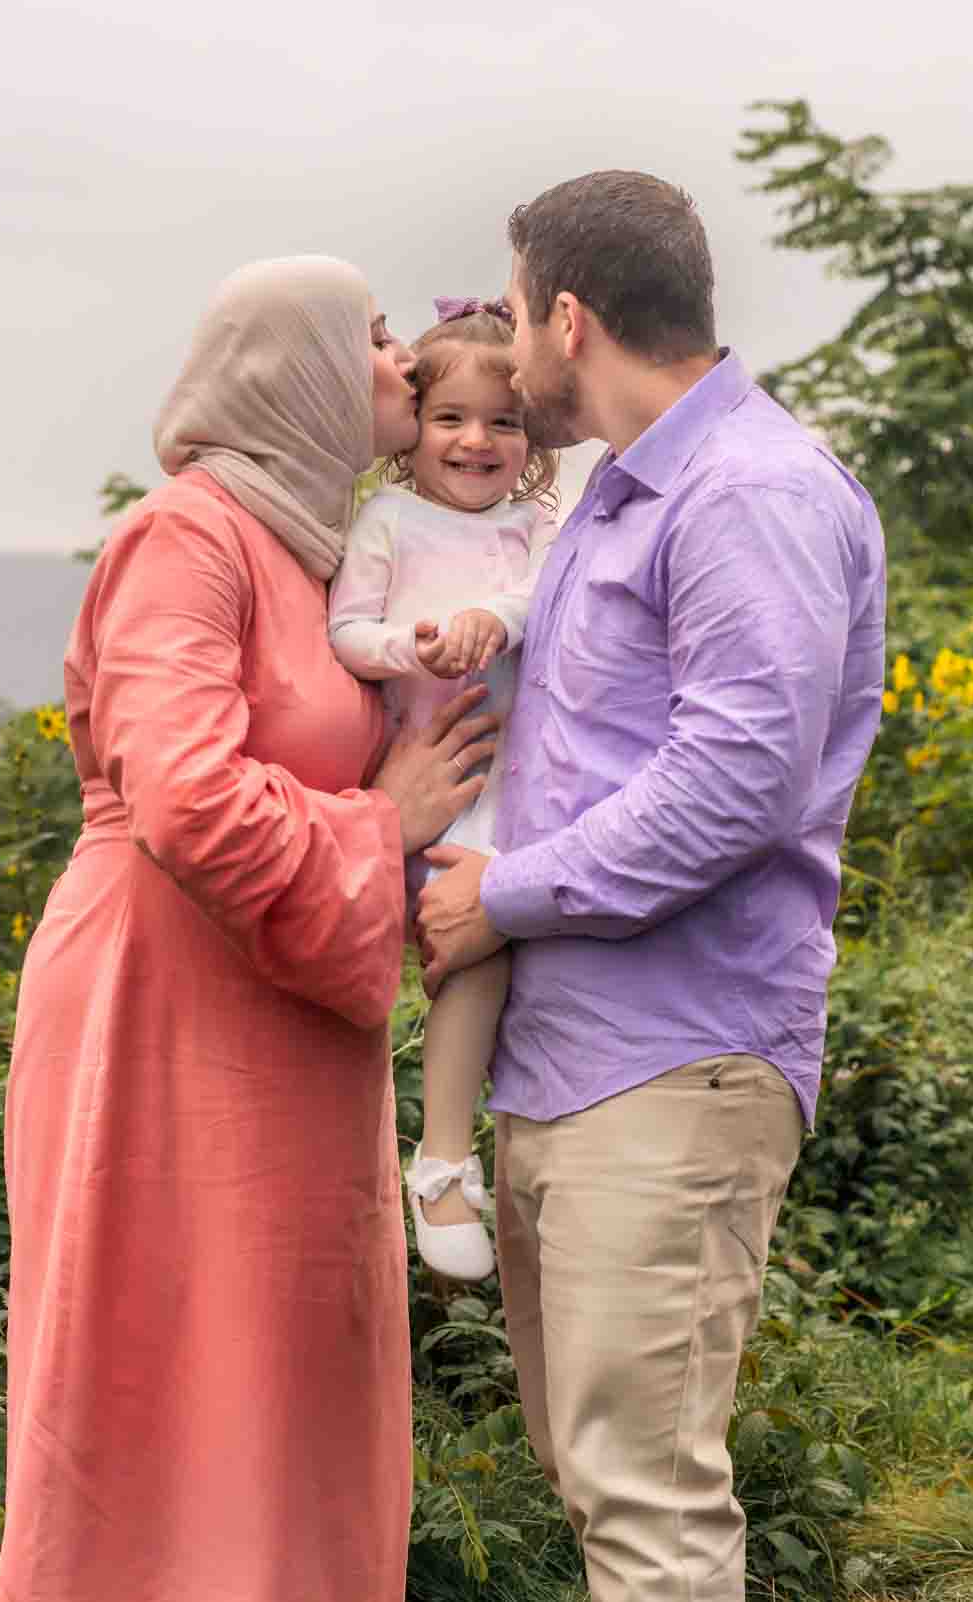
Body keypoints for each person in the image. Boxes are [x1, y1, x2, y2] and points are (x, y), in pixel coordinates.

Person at [415, 171, 887, 1602]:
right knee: (598, 1478)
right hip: (571, 1068)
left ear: (568, 318)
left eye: (514, 317)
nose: (509, 353)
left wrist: (501, 895)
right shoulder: (619, 499)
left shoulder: (750, 491)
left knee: (646, 1502)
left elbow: (737, 781)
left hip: (675, 1061)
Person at [0, 255, 500, 1602]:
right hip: (158, 1009)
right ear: (300, 371)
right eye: (377, 337)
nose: (407, 360)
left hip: (287, 1013)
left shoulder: (314, 551)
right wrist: (380, 827)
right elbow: (182, 797)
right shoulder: (188, 535)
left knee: (286, 1382)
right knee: (165, 1376)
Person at [326, 295, 558, 1281]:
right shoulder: (387, 519)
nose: (477, 441)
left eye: (503, 422)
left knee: (489, 951)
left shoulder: (534, 527)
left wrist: (493, 620)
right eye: (451, 418)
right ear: (412, 427)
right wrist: (411, 647)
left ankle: (456, 1154)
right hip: (420, 774)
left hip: (511, 782)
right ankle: (431, 1161)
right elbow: (346, 632)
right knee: (444, 954)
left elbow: (544, 601)